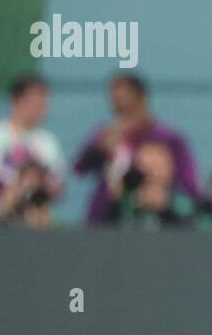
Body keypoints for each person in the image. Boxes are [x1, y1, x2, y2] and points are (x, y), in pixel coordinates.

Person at [72, 74, 199, 225]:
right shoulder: (105, 135)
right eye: (114, 100)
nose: (117, 105)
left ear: (140, 98)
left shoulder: (165, 137)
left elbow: (190, 186)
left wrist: (167, 198)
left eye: (122, 99)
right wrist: (100, 148)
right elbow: (79, 167)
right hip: (110, 216)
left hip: (163, 216)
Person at [0, 73, 65, 217]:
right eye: (36, 103)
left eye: (44, 104)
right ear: (16, 101)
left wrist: (37, 185)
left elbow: (57, 178)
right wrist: (23, 183)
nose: (43, 109)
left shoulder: (48, 141)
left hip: (40, 218)